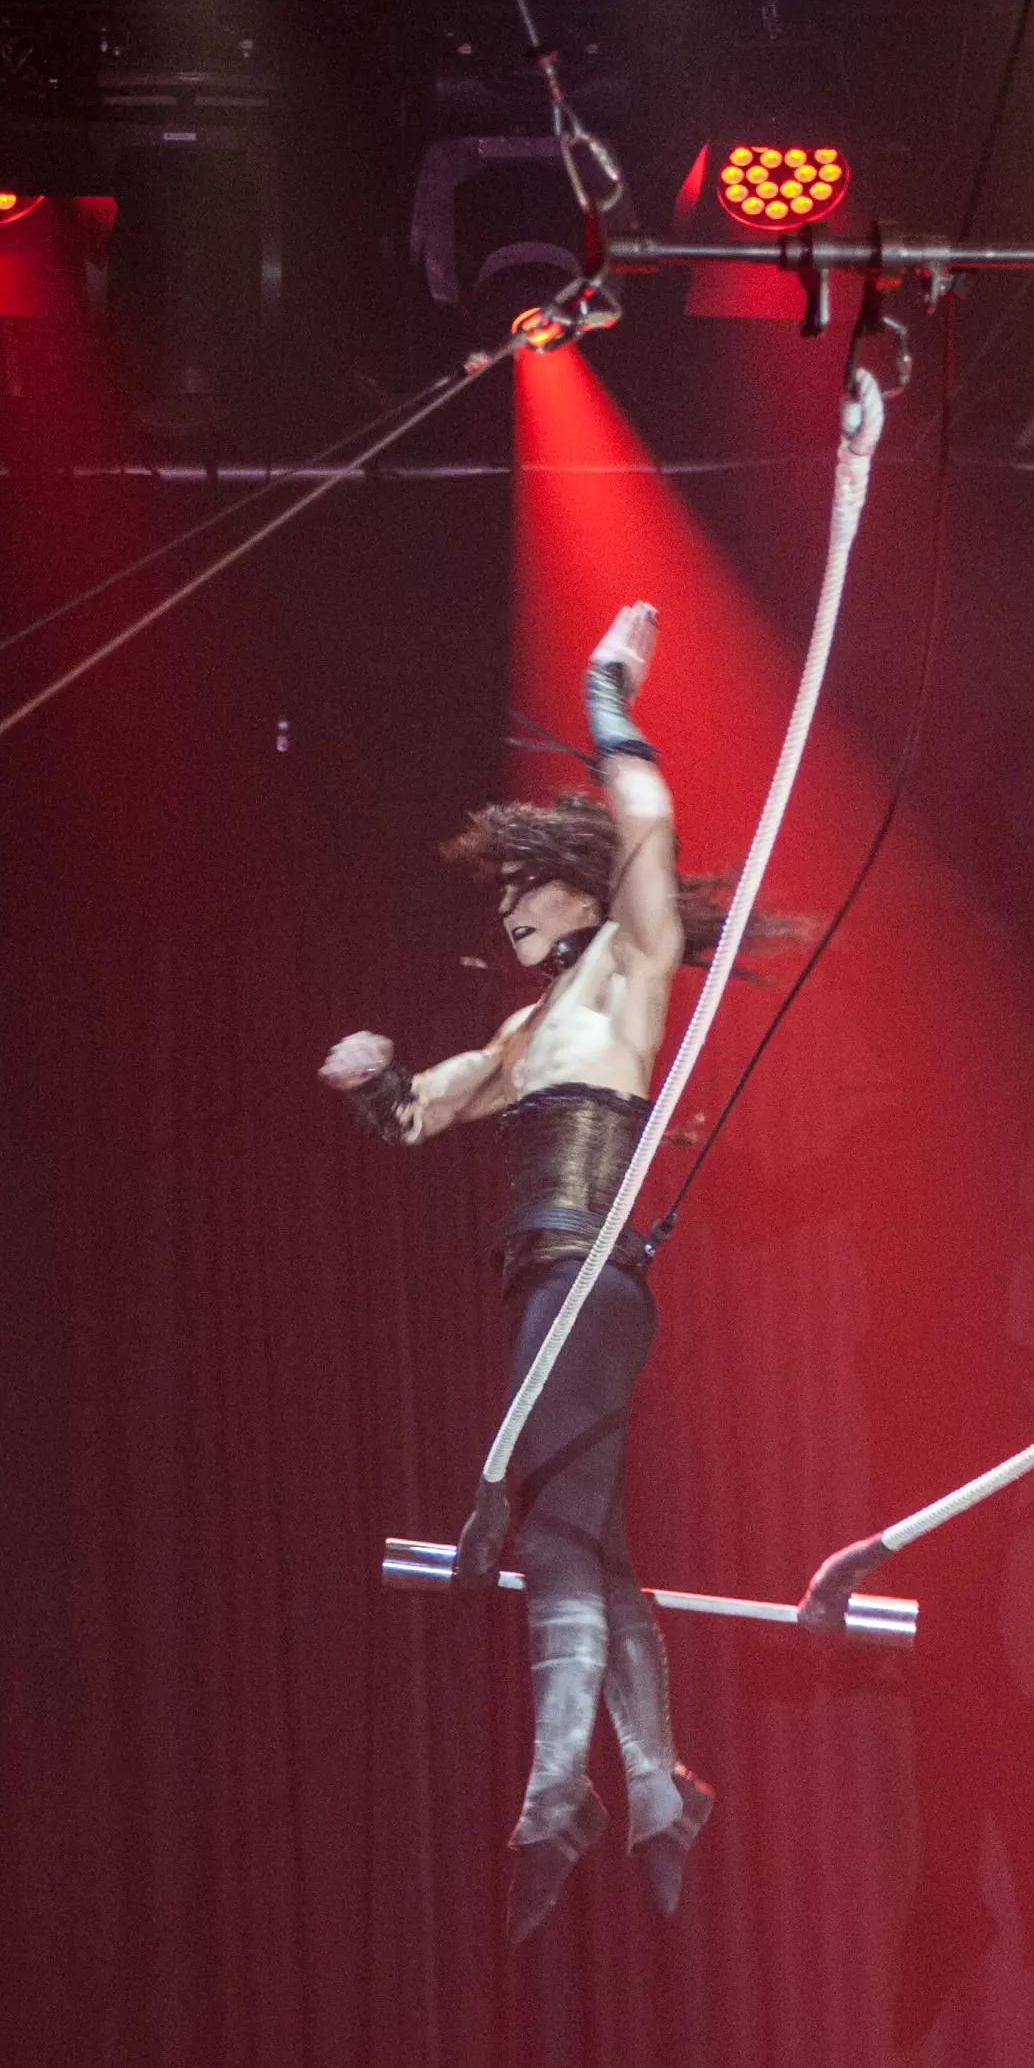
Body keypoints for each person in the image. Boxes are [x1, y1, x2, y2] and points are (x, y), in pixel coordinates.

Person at [320, 602, 715, 1942]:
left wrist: (611, 695)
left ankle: (562, 1795)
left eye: (520, 883)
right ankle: (654, 1790)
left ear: (583, 889)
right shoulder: (528, 1023)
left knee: (555, 1538)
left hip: (591, 1281)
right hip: (544, 1284)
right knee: (588, 1546)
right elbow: (424, 1115)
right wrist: (373, 1084)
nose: (505, 904)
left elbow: (652, 828)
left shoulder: (630, 962)